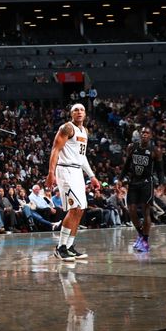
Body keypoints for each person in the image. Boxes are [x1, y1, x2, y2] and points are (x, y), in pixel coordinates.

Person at [47, 104, 100, 261]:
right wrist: (51, 172)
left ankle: (69, 246)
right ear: (71, 114)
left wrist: (92, 176)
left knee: (81, 209)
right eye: (76, 110)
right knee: (74, 207)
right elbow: (55, 150)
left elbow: (82, 157)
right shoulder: (67, 128)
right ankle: (60, 247)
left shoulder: (85, 131)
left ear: (85, 114)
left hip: (77, 171)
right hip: (65, 170)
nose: (79, 112)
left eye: (82, 110)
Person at [122, 127, 163, 252]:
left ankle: (145, 240)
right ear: (140, 135)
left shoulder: (155, 151)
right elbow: (127, 164)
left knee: (146, 211)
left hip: (147, 183)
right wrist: (120, 178)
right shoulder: (132, 147)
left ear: (151, 136)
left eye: (147, 133)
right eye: (143, 133)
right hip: (133, 182)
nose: (144, 134)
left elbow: (160, 170)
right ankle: (140, 234)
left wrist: (162, 184)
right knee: (132, 210)